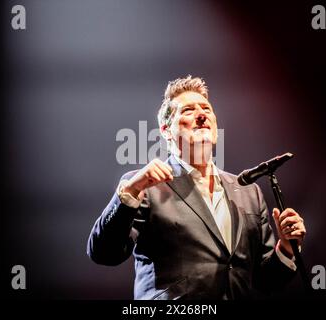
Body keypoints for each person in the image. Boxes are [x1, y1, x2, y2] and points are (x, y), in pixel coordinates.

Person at [87, 75, 306, 300]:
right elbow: (104, 254)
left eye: (206, 109)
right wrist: (130, 193)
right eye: (188, 111)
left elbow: (265, 281)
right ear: (165, 130)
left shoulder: (248, 192)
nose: (201, 115)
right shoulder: (145, 186)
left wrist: (287, 247)